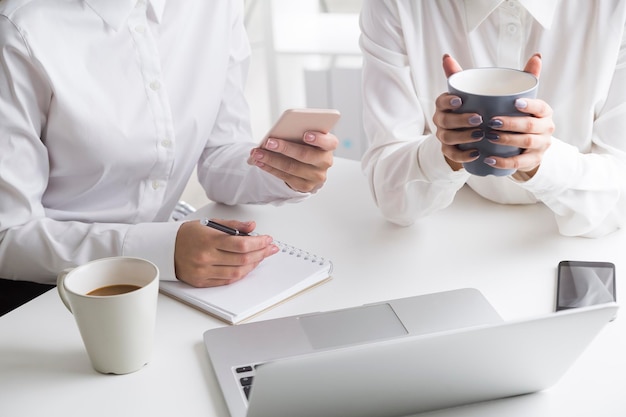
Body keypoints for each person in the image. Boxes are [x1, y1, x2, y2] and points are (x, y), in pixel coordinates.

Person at [0, 0, 338, 289]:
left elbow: (220, 155)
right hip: (47, 291)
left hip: (173, 277)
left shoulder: (213, 8)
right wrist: (159, 250)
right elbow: (8, 235)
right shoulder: (20, 28)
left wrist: (283, 169)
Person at [359, 0, 626, 238]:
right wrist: (447, 154)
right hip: (449, 234)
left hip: (563, 242)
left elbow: (619, 201)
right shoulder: (394, 5)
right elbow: (389, 194)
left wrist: (542, 161)